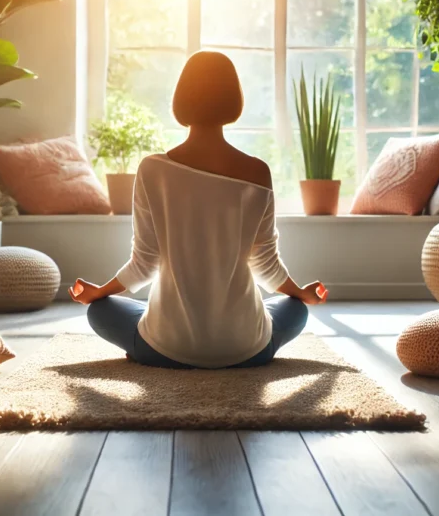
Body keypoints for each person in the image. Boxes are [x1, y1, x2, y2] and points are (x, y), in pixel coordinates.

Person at [69, 51, 328, 369]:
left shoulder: (152, 169)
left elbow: (145, 263)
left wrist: (100, 291)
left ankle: (147, 348)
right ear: (235, 101)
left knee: (100, 310)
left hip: (165, 349)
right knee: (295, 309)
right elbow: (265, 265)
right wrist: (302, 293)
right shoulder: (257, 172)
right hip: (247, 349)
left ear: (181, 100)